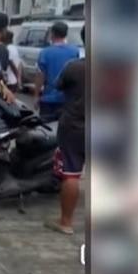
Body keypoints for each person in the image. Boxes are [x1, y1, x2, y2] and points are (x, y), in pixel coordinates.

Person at [45, 26, 86, 235]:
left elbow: (58, 85)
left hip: (74, 126)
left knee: (71, 174)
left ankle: (66, 222)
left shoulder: (74, 67)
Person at [35, 21, 81, 121]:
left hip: (48, 99)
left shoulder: (45, 53)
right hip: (67, 100)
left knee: (46, 129)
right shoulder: (74, 51)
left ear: (53, 33)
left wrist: (36, 96)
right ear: (65, 34)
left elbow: (40, 76)